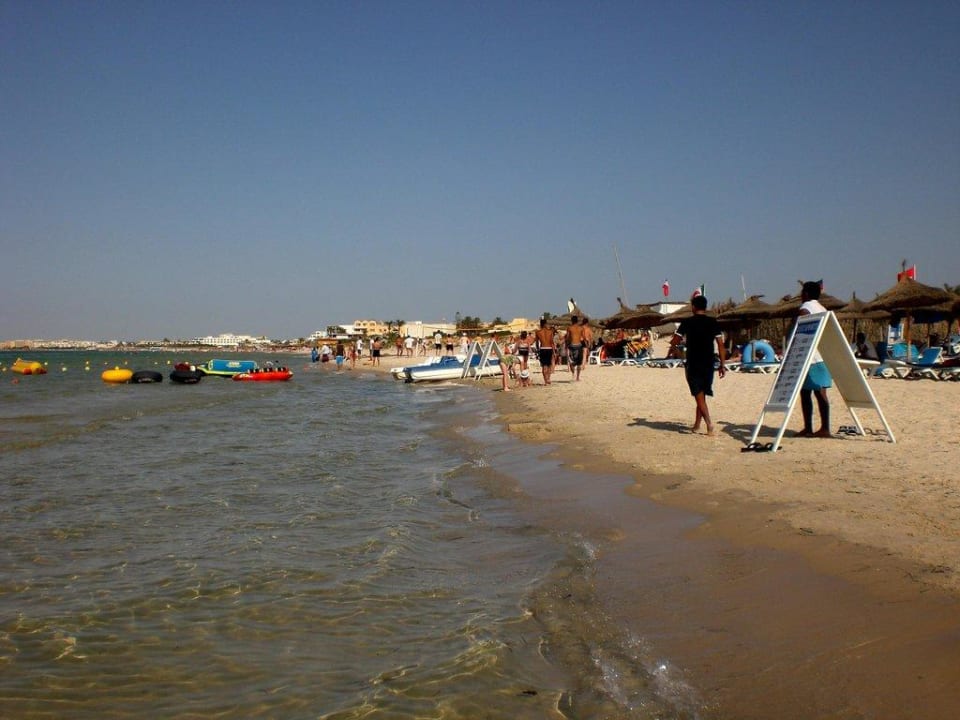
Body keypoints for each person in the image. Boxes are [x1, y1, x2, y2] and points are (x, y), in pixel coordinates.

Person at [672, 294, 726, 435]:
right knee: (702, 394)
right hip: (709, 363)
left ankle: (709, 424)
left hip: (694, 362)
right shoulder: (713, 322)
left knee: (698, 394)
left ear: (693, 307)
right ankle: (697, 425)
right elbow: (721, 345)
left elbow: (674, 341)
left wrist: (677, 352)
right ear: (705, 307)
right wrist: (722, 364)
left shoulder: (687, 322)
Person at [796, 281, 832, 437]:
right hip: (823, 355)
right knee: (819, 392)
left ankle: (811, 427)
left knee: (807, 393)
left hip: (810, 357)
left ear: (806, 294)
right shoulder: (822, 308)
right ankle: (823, 427)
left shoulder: (806, 308)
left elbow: (800, 329)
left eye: (802, 292)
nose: (800, 295)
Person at [534, 318, 556, 385]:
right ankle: (548, 378)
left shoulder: (538, 332)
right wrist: (554, 352)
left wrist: (538, 351)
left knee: (544, 365)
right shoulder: (550, 331)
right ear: (546, 324)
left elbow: (537, 343)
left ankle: (545, 381)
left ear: (540, 324)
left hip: (542, 349)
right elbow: (552, 342)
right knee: (549, 365)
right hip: (549, 348)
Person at [564, 315, 587, 380]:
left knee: (572, 362)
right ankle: (577, 377)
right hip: (579, 345)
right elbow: (584, 337)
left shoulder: (569, 328)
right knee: (579, 363)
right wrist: (586, 344)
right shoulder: (581, 328)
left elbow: (567, 338)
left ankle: (573, 373)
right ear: (577, 321)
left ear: (572, 321)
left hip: (572, 345)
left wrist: (566, 345)